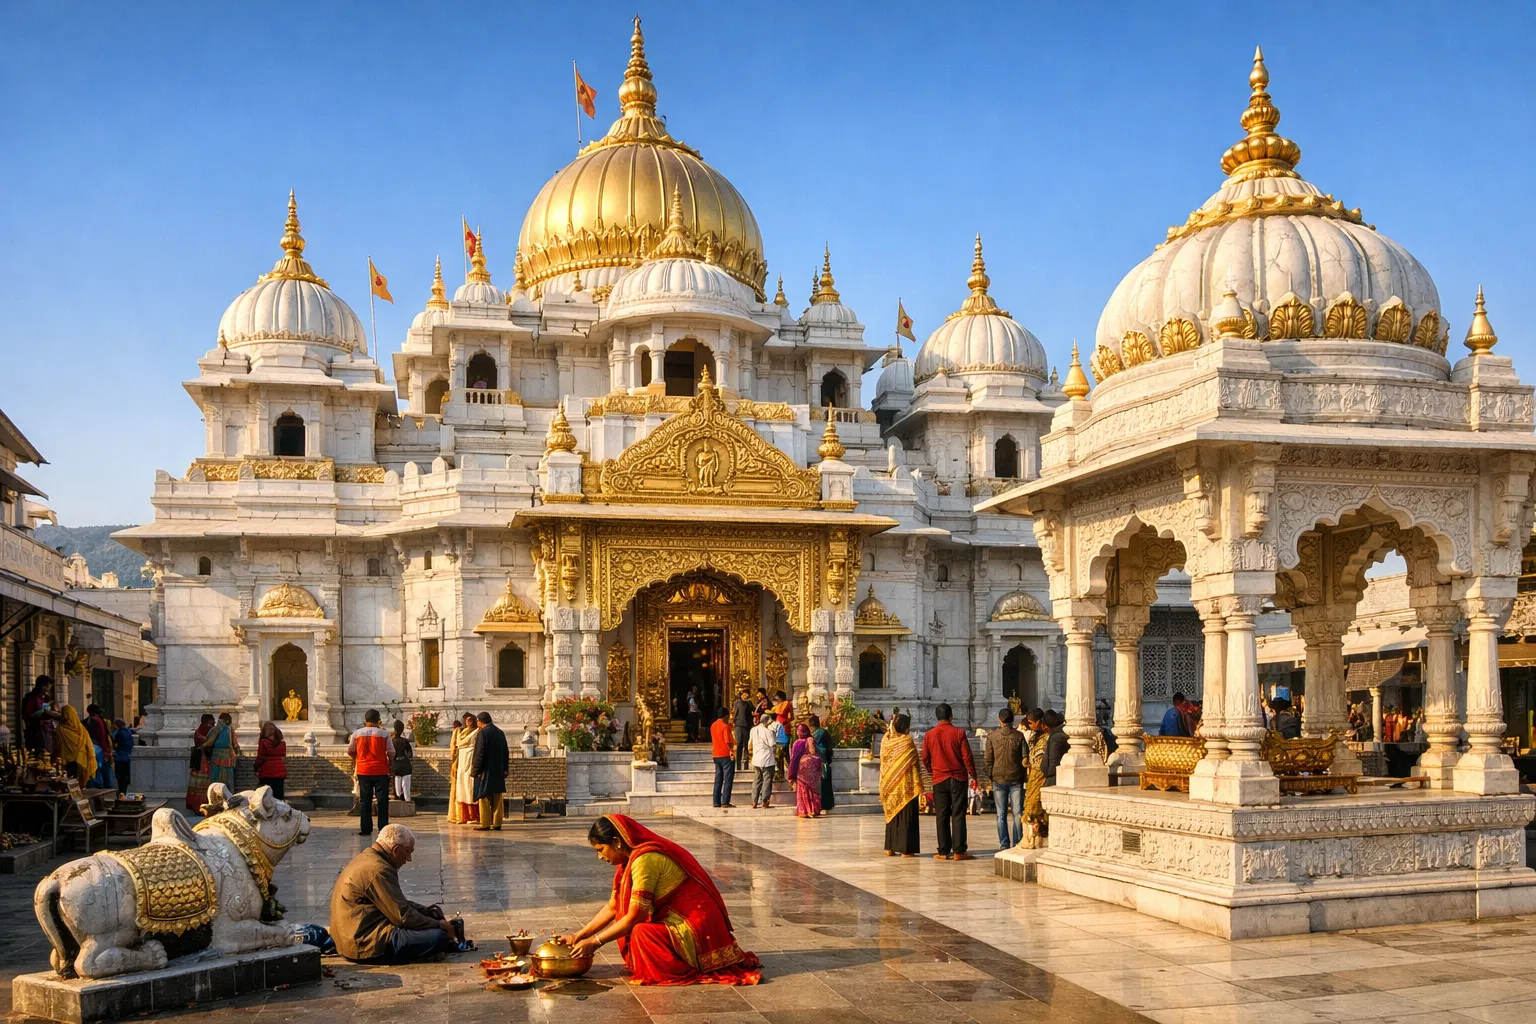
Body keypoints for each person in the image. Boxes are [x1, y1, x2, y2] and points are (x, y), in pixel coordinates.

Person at [557, 815, 761, 985]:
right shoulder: (627, 863)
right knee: (638, 931)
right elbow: (612, 906)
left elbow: (634, 917)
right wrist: (578, 936)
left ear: (617, 843)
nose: (600, 857)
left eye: (600, 849)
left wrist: (593, 943)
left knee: (641, 933)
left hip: (696, 921)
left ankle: (683, 968)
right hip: (677, 916)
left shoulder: (645, 860)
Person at [331, 824, 462, 964]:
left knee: (431, 920)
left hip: (352, 935)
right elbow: (403, 916)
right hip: (363, 943)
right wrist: (440, 925)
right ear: (396, 850)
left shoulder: (370, 857)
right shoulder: (378, 870)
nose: (409, 859)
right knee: (438, 937)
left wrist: (426, 911)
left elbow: (394, 902)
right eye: (407, 852)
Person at [920, 703, 977, 860]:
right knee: (958, 814)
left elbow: (924, 758)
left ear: (937, 717)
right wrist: (974, 775)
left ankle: (943, 851)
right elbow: (967, 757)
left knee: (942, 815)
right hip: (958, 778)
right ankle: (959, 850)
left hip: (939, 778)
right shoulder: (959, 733)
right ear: (951, 716)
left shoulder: (929, 735)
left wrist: (932, 771)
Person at [879, 714, 922, 856]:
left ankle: (890, 847)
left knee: (892, 814)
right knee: (905, 815)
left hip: (889, 784)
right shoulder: (907, 741)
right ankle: (905, 849)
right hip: (905, 785)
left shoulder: (886, 740)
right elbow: (914, 759)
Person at [983, 707, 1026, 850]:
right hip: (1015, 779)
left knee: (1000, 814)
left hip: (998, 779)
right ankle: (1017, 842)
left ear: (1000, 720)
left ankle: (1004, 843)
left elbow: (988, 759)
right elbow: (1025, 758)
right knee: (1017, 813)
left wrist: (991, 775)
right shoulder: (1019, 736)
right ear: (1013, 720)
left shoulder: (992, 737)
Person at [348, 709, 392, 836]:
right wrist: (390, 763)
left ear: (366, 720)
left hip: (363, 770)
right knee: (382, 800)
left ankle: (366, 828)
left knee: (365, 800)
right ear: (378, 720)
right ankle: (383, 828)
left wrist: (359, 757)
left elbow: (351, 751)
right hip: (380, 770)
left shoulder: (357, 734)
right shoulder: (384, 734)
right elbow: (391, 751)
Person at [472, 711, 508, 830]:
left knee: (484, 796)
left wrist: (476, 770)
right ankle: (497, 822)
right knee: (497, 796)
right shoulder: (500, 732)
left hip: (485, 770)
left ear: (480, 721)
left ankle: (486, 823)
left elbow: (480, 753)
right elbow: (506, 752)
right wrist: (505, 768)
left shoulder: (483, 733)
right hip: (498, 770)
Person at [448, 712, 480, 825]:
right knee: (462, 787)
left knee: (470, 787)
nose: (468, 722)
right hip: (461, 761)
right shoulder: (460, 731)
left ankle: (474, 815)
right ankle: (463, 815)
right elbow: (453, 749)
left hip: (471, 759)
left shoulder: (477, 731)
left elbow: (454, 747)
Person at [55, 705, 97, 787]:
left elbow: (57, 745)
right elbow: (88, 745)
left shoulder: (61, 729)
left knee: (71, 783)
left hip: (68, 761)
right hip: (81, 759)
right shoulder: (81, 729)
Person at [788, 724, 823, 818]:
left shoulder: (797, 743)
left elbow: (794, 759)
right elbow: (813, 752)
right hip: (812, 769)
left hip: (802, 769)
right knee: (812, 789)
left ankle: (804, 811)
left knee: (803, 790)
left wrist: (791, 775)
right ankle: (813, 809)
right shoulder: (810, 739)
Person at [21, 676, 61, 755]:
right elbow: (26, 715)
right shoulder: (30, 697)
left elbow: (49, 710)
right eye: (46, 686)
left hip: (47, 731)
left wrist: (54, 713)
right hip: (34, 731)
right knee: (37, 754)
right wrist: (48, 715)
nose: (48, 688)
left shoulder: (46, 698)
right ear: (41, 686)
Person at [186, 713, 215, 811]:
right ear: (205, 723)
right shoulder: (205, 733)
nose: (212, 726)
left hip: (200, 761)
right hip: (203, 761)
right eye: (210, 724)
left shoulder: (199, 731)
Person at [708, 707, 736, 808]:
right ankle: (725, 801)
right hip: (725, 754)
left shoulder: (713, 725)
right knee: (728, 778)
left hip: (716, 754)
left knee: (718, 778)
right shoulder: (725, 726)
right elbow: (728, 741)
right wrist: (732, 750)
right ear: (725, 716)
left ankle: (716, 801)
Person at [204, 712, 240, 790]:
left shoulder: (214, 730)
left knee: (215, 779)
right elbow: (235, 745)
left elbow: (207, 743)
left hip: (216, 757)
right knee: (227, 781)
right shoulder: (230, 730)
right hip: (227, 758)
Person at [749, 712, 777, 809]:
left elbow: (750, 743)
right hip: (767, 759)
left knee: (757, 780)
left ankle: (754, 801)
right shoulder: (768, 732)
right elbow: (773, 745)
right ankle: (765, 801)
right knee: (767, 781)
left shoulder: (753, 730)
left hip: (756, 759)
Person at [810, 713, 835, 812]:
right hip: (825, 760)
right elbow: (829, 747)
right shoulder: (824, 732)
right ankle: (827, 804)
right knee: (826, 783)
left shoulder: (814, 735)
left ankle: (822, 804)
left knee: (822, 783)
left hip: (819, 760)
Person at [255, 722, 287, 798]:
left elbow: (261, 757)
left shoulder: (263, 742)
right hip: (280, 771)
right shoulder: (282, 744)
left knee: (267, 796)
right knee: (278, 795)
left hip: (267, 771)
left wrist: (256, 767)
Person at [391, 720, 414, 803]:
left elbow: (390, 754)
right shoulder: (405, 741)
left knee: (398, 789)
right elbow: (410, 755)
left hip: (396, 766)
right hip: (405, 765)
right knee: (406, 787)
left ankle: (400, 800)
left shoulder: (392, 741)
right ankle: (408, 803)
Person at [732, 690, 755, 769]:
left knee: (746, 745)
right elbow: (734, 713)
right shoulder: (737, 703)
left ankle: (746, 764)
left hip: (746, 726)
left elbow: (753, 710)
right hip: (738, 725)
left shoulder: (749, 703)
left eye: (746, 694)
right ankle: (738, 764)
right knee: (739, 744)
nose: (745, 696)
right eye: (744, 694)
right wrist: (734, 721)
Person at [111, 718, 135, 795]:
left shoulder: (119, 733)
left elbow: (116, 744)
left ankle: (121, 792)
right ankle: (124, 791)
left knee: (120, 776)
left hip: (120, 757)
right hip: (128, 756)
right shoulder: (128, 731)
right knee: (126, 776)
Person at [771, 712, 790, 782]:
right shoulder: (779, 724)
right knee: (786, 759)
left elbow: (774, 736)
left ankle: (780, 775)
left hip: (778, 743)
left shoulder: (771, 725)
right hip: (784, 742)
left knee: (778, 760)